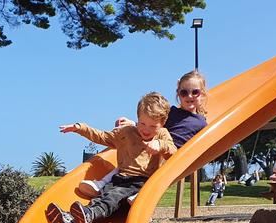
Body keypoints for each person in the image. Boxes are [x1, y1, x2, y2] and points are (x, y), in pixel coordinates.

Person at [46, 92, 176, 223]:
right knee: (102, 198)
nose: (146, 129)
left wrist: (160, 145)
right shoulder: (126, 132)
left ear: (162, 123)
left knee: (112, 198)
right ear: (137, 118)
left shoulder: (162, 135)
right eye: (142, 123)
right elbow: (102, 137)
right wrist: (80, 128)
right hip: (119, 179)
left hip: (139, 185)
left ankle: (86, 216)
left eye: (153, 126)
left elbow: (173, 151)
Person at [78, 70, 209, 201]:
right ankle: (101, 184)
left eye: (195, 92)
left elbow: (201, 146)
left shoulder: (201, 123)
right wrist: (133, 124)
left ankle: (141, 195)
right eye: (184, 92)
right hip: (151, 146)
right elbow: (152, 123)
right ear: (178, 93)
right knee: (130, 162)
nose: (189, 96)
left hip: (171, 155)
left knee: (154, 170)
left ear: (202, 93)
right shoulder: (172, 112)